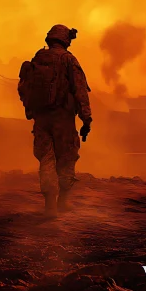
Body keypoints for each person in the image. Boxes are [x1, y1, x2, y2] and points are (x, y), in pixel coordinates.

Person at [18, 24, 92, 217]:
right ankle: (63, 202)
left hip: (41, 118)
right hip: (63, 119)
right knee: (66, 158)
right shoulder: (68, 60)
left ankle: (49, 205)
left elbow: (25, 86)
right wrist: (86, 118)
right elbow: (80, 91)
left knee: (46, 159)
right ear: (65, 40)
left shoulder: (38, 58)